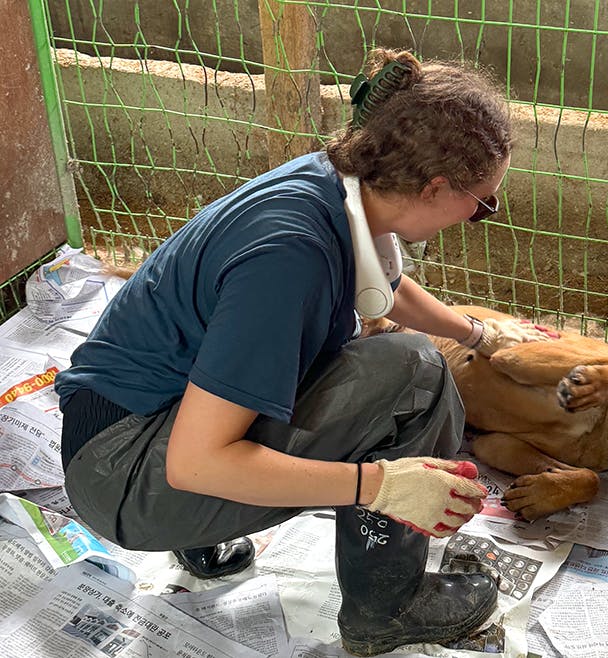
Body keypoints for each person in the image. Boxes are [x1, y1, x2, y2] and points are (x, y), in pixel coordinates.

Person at [55, 48, 549, 656]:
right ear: (435, 187)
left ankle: (200, 532)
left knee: (361, 347)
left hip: (122, 422)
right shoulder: (288, 257)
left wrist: (480, 334)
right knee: (415, 376)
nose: (480, 214)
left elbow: (382, 283)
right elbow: (195, 464)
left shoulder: (338, 184)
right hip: (128, 477)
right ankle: (385, 608)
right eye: (482, 203)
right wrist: (379, 485)